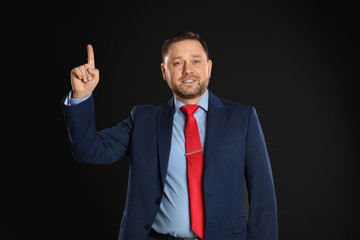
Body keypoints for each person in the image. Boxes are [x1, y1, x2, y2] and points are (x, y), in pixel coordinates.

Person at [62, 31, 278, 240]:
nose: (187, 70)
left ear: (209, 67)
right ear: (164, 72)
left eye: (195, 61)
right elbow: (89, 151)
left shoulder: (243, 118)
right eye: (177, 63)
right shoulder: (143, 119)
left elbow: (263, 197)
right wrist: (81, 96)